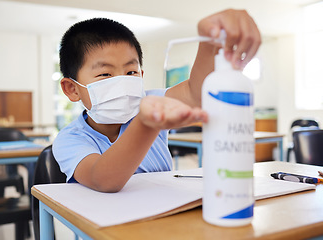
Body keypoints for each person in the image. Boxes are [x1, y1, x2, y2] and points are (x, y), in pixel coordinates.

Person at [53, 9, 261, 193]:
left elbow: (197, 93)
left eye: (131, 72)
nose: (122, 83)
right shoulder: (70, 139)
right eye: (105, 74)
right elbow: (103, 180)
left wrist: (209, 43)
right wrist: (146, 124)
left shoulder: (151, 102)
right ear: (72, 89)